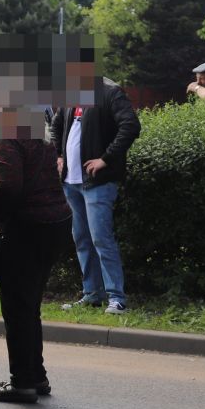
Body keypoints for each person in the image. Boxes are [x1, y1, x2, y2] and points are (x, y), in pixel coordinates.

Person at [0, 133, 72, 402]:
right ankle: (36, 376)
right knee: (29, 305)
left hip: (26, 228)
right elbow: (19, 177)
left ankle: (22, 383)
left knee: (18, 307)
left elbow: (10, 190)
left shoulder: (7, 140)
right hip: (54, 225)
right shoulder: (37, 138)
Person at [55, 79, 140, 315]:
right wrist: (59, 155)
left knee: (101, 239)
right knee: (81, 239)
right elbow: (57, 124)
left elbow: (131, 126)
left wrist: (106, 159)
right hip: (72, 183)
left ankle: (117, 298)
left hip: (97, 183)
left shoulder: (110, 94)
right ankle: (92, 293)